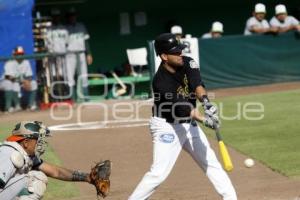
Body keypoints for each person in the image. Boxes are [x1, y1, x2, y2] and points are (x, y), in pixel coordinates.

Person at [128, 33, 237, 200]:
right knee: (158, 174)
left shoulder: (187, 62)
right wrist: (204, 120)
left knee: (211, 162)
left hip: (189, 124)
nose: (181, 54)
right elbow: (183, 107)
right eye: (176, 52)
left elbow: (197, 85)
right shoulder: (160, 82)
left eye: (180, 50)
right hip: (167, 126)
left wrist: (207, 103)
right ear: (164, 56)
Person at [0, 121, 111, 200]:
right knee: (36, 179)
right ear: (26, 142)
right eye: (38, 140)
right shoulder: (9, 154)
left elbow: (55, 172)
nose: (41, 143)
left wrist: (88, 178)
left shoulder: (26, 156)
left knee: (39, 176)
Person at [65, 7, 93, 102]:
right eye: (70, 16)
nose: (72, 17)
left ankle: (86, 97)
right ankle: (73, 99)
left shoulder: (81, 26)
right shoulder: (65, 29)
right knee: (70, 76)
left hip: (81, 53)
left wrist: (88, 54)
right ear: (68, 17)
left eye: (74, 15)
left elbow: (86, 41)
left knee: (84, 76)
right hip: (70, 55)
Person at [0, 46, 37, 112]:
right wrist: (22, 81)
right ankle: (10, 107)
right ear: (14, 54)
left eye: (21, 54)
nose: (20, 55)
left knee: (33, 83)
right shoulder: (10, 62)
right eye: (18, 54)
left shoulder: (26, 61)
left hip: (20, 81)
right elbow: (8, 77)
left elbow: (29, 75)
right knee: (12, 84)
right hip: (5, 82)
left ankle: (30, 105)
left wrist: (28, 81)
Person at [46, 8, 69, 82]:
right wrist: (51, 51)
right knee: (54, 75)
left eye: (57, 16)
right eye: (54, 16)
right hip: (53, 55)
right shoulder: (48, 29)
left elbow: (67, 42)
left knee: (65, 74)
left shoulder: (64, 28)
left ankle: (65, 90)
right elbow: (47, 42)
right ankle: (56, 91)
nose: (56, 18)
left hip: (63, 54)